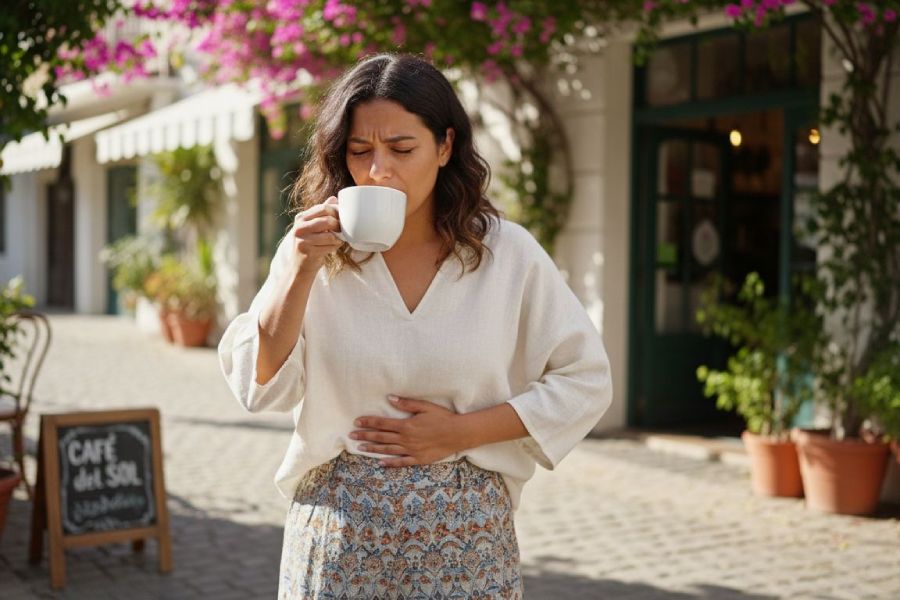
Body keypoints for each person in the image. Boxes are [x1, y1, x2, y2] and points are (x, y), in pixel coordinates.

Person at [218, 53, 612, 599]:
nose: (379, 169)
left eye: (402, 149)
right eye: (360, 151)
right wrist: (298, 271)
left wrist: (463, 431)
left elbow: (585, 379)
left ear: (445, 146)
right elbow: (260, 384)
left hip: (467, 538)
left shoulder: (506, 254)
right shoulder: (312, 251)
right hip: (337, 536)